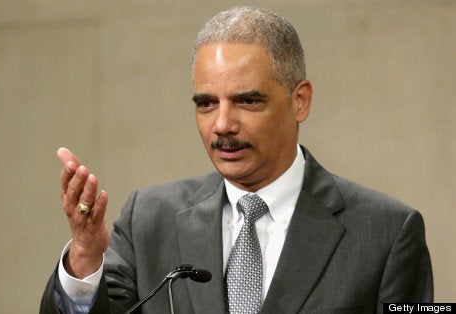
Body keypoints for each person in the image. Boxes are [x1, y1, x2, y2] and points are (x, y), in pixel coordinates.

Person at [40, 6, 433, 314]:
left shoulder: (387, 231)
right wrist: (84, 258)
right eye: (207, 103)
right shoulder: (149, 220)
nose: (222, 125)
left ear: (300, 101)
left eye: (248, 100)